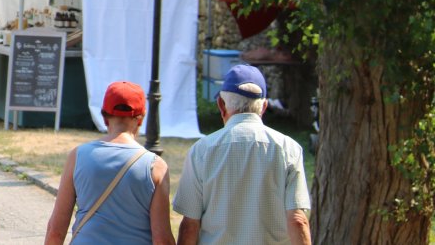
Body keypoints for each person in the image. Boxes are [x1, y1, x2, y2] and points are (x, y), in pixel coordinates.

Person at [174, 65, 311, 245]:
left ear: (221, 105)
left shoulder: (201, 150)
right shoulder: (289, 148)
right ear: (263, 107)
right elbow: (297, 220)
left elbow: (190, 224)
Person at [44, 81, 173, 244]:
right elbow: (162, 239)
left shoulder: (77, 157)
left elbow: (55, 230)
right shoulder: (156, 167)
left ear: (104, 117)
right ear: (140, 118)